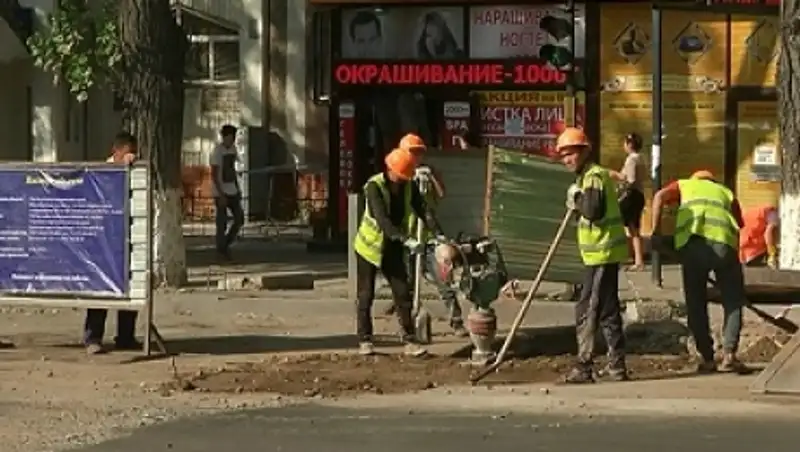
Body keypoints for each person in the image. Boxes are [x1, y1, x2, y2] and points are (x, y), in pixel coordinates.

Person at [651, 170, 747, 373]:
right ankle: (729, 354)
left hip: (693, 246)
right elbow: (740, 223)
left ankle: (708, 358)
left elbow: (659, 196)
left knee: (696, 303)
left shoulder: (685, 185)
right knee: (733, 301)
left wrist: (655, 232)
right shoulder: (725, 192)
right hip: (725, 246)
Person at [354, 148, 444, 357]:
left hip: (392, 248)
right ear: (390, 169)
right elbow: (382, 220)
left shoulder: (408, 185)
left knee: (402, 293)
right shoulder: (374, 187)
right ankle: (365, 340)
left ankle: (409, 340)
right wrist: (407, 240)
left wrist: (438, 233)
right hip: (369, 248)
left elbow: (423, 210)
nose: (402, 181)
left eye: (406, 177)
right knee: (366, 295)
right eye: (400, 176)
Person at [557, 127, 630, 383]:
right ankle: (616, 365)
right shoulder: (587, 178)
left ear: (585, 152)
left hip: (602, 253)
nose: (567, 159)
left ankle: (584, 365)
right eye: (563, 155)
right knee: (608, 310)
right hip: (601, 253)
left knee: (587, 309)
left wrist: (577, 199)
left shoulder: (593, 177)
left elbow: (593, 211)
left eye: (571, 154)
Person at [392, 133, 467, 337]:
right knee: (406, 284)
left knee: (443, 280)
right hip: (408, 238)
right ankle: (406, 324)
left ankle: (456, 321)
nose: (416, 157)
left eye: (419, 153)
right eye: (412, 152)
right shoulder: (399, 174)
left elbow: (441, 194)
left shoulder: (429, 172)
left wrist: (430, 178)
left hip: (429, 237)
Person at [84, 131, 141, 355]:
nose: (132, 157)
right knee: (101, 291)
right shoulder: (100, 174)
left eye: (134, 153)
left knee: (131, 289)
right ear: (116, 152)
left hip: (126, 240)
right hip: (102, 242)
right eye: (128, 153)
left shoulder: (136, 171)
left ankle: (126, 336)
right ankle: (92, 338)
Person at [610, 133, 647, 271]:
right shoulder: (642, 158)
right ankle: (638, 260)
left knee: (619, 225)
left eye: (625, 142)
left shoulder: (631, 159)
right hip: (639, 195)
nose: (624, 145)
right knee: (634, 229)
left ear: (630, 144)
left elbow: (630, 180)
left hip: (630, 196)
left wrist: (616, 175)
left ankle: (622, 256)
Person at [210, 124, 244, 260]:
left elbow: (232, 171)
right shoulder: (217, 152)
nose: (231, 141)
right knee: (222, 222)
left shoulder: (233, 150)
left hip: (232, 189)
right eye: (229, 137)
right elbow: (214, 174)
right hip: (220, 192)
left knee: (239, 218)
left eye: (233, 138)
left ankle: (226, 244)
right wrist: (221, 194)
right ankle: (221, 249)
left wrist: (237, 188)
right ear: (224, 137)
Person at [739, 204, 779, 268]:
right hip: (754, 250)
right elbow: (768, 234)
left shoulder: (757, 212)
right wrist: (772, 253)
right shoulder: (774, 214)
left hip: (743, 250)